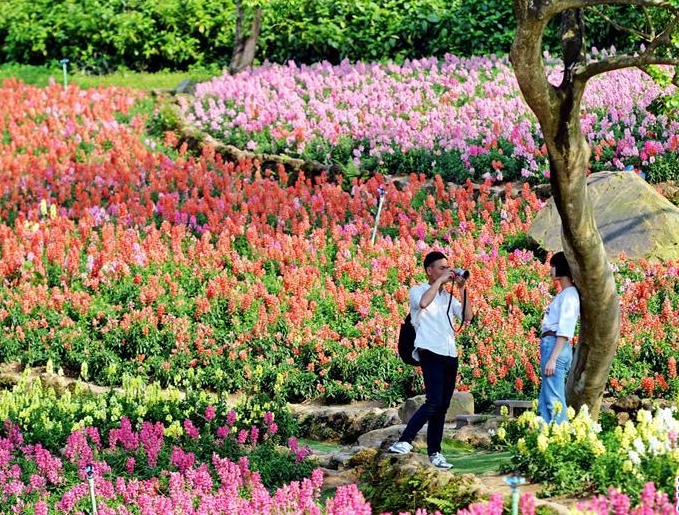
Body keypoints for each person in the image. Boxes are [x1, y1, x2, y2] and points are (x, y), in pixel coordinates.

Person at [388, 251, 473, 469]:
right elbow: (424, 303)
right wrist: (441, 282)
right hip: (429, 351)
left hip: (449, 354)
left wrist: (463, 290)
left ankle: (435, 453)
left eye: (448, 268)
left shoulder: (448, 297)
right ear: (429, 271)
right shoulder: (418, 290)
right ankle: (404, 441)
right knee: (433, 401)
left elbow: (467, 317)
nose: (447, 271)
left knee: (442, 406)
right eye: (441, 268)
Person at [538, 251, 580, 424]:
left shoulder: (570, 295)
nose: (550, 270)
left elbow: (565, 329)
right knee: (546, 399)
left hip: (556, 346)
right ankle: (547, 441)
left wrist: (553, 359)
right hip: (551, 344)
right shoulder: (564, 295)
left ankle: (562, 438)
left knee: (554, 399)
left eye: (553, 266)